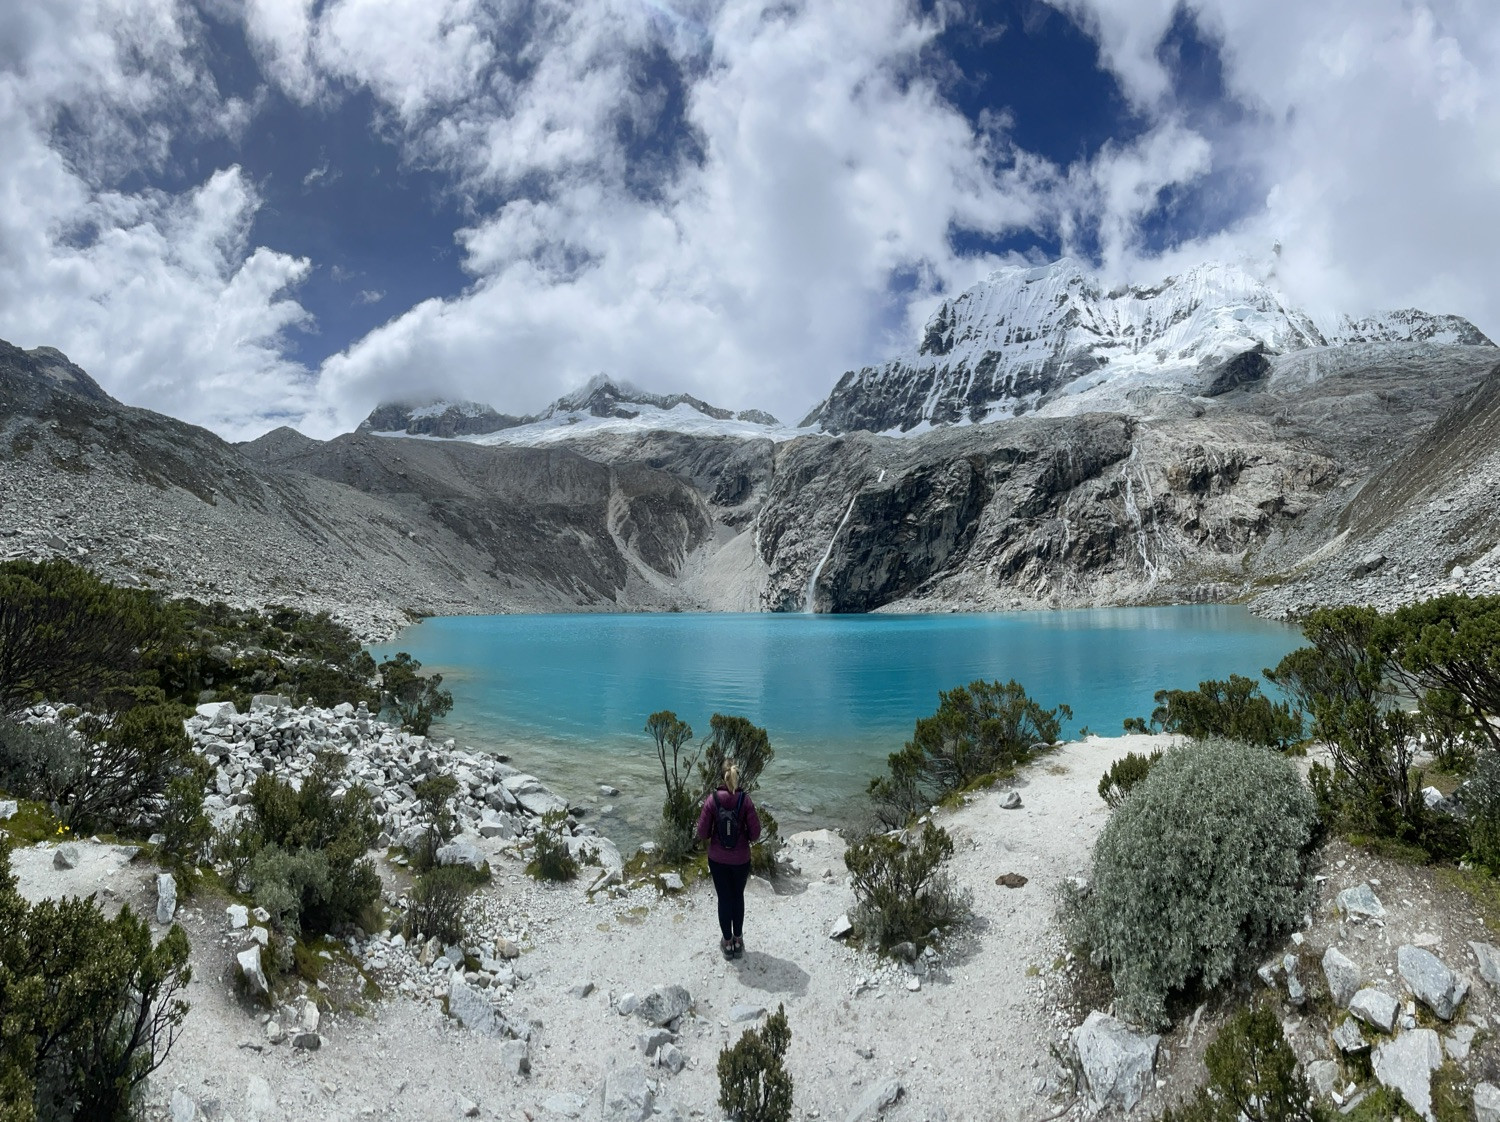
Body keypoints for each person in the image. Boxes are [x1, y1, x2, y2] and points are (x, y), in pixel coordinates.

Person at [697, 759, 762, 959]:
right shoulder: (745, 800)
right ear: (736, 776)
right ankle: (738, 940)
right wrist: (743, 835)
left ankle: (727, 943)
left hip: (717, 859)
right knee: (737, 897)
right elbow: (755, 834)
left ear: (721, 777)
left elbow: (702, 832)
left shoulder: (712, 800)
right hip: (741, 859)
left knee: (724, 898)